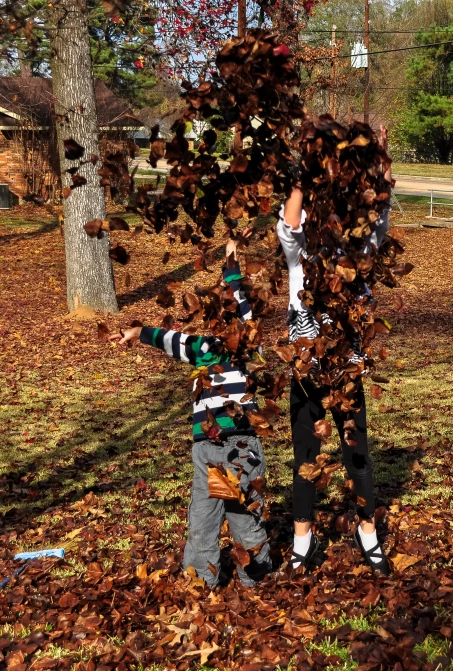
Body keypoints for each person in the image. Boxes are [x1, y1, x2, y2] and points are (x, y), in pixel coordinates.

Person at [109, 231, 271, 588]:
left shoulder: (247, 345)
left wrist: (231, 263)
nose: (223, 325)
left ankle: (255, 577)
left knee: (244, 516)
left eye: (228, 320)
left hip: (240, 445)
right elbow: (172, 339)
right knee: (202, 519)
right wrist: (137, 333)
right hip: (207, 449)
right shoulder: (202, 348)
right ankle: (200, 580)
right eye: (216, 320)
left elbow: (240, 303)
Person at [277, 125, 394, 576]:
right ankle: (302, 542)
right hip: (306, 369)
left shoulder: (362, 250)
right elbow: (290, 227)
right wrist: (302, 179)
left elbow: (379, 217)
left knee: (357, 455)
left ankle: (368, 534)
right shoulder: (301, 255)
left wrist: (378, 160)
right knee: (305, 456)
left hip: (346, 372)